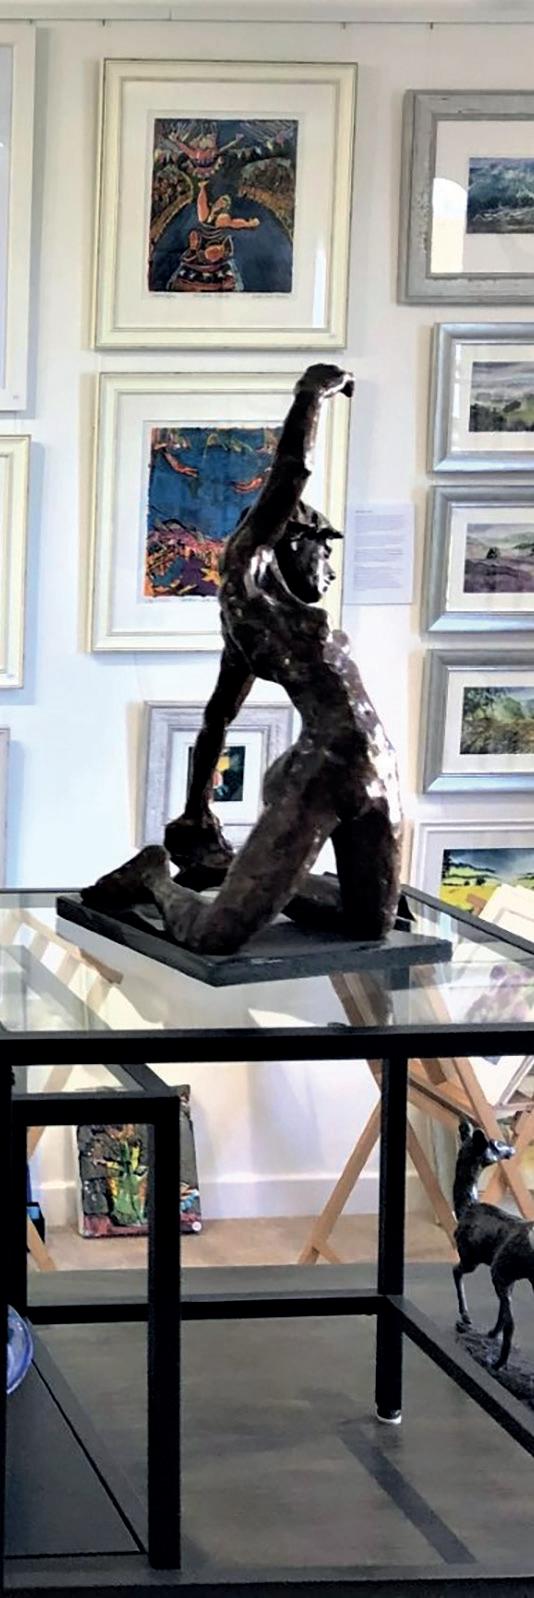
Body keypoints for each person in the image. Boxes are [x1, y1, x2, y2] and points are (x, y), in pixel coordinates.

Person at [84, 365, 403, 954]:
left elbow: (217, 719)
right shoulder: (250, 594)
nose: (330, 571)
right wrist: (312, 394)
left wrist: (196, 809)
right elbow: (290, 473)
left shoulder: (269, 625)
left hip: (376, 770)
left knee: (370, 924)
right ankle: (152, 876)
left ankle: (235, 874)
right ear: (292, 540)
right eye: (323, 552)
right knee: (212, 936)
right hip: (322, 775)